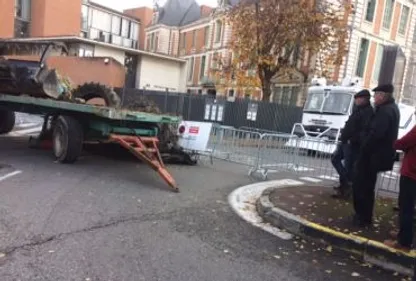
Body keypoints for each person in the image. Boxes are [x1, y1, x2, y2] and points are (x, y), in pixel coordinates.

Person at [352, 83, 400, 227]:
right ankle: (363, 216)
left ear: (382, 95)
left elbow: (375, 134)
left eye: (376, 95)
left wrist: (363, 144)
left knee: (363, 186)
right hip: (375, 155)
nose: (374, 98)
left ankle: (363, 217)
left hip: (372, 156)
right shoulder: (390, 109)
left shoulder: (385, 111)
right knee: (366, 186)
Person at [331, 89, 374, 199]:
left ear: (364, 99)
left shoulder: (368, 112)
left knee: (348, 166)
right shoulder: (358, 109)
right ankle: (346, 183)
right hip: (345, 141)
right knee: (335, 159)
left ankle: (346, 188)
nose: (356, 101)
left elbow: (364, 130)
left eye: (358, 99)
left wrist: (352, 139)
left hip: (352, 144)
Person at [384, 122, 416, 251]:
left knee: (406, 207)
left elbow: (402, 142)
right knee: (409, 206)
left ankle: (404, 242)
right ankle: (404, 234)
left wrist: (398, 144)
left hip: (412, 172)